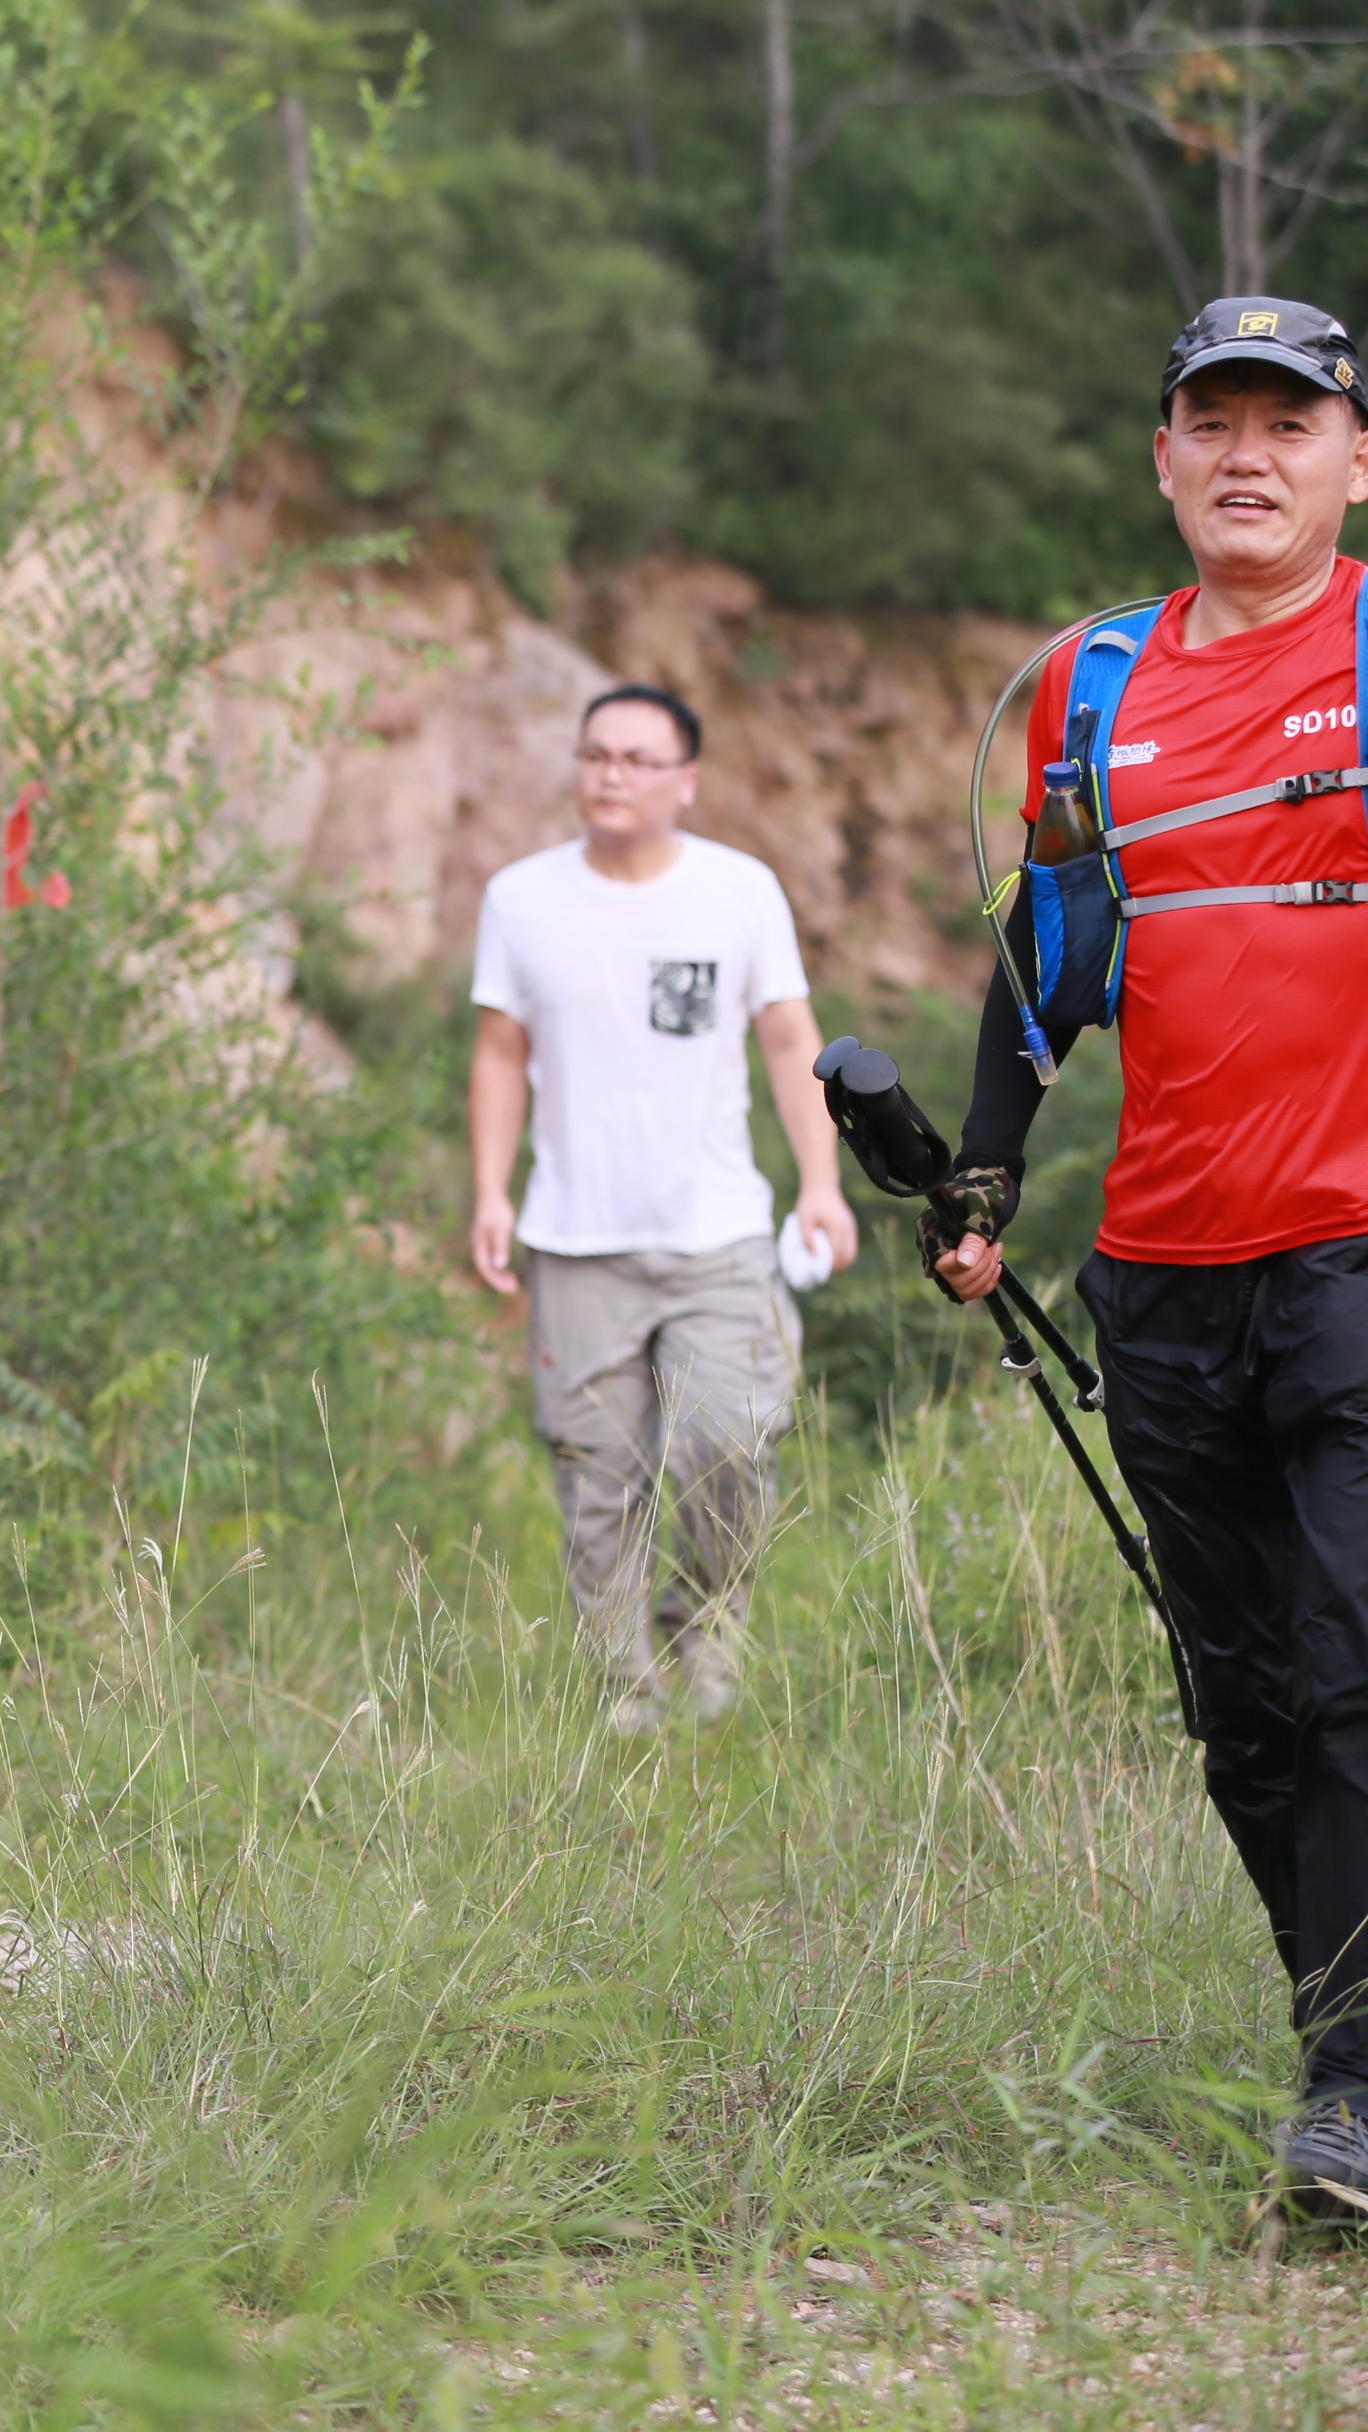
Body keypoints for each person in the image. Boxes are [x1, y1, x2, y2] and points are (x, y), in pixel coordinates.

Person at [926, 297, 1368, 2215]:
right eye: (1214, 421)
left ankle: (1348, 2092)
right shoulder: (1089, 688)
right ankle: (1338, 2047)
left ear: (1353, 459)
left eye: (1289, 421)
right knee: (1243, 1709)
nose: (1247, 455)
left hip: (1353, 1248)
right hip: (1162, 1266)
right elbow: (1049, 952)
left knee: (1353, 1669)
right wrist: (979, 1174)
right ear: (1163, 457)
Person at [467, 683, 858, 1734]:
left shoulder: (739, 891)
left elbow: (791, 1040)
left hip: (717, 1232)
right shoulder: (521, 898)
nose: (612, 775)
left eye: (639, 759)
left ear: (686, 780)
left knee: (732, 1442)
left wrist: (821, 1182)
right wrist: (491, 1191)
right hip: (576, 1236)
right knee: (598, 1471)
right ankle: (623, 1689)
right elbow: (500, 1052)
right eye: (596, 754)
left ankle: (706, 1630)